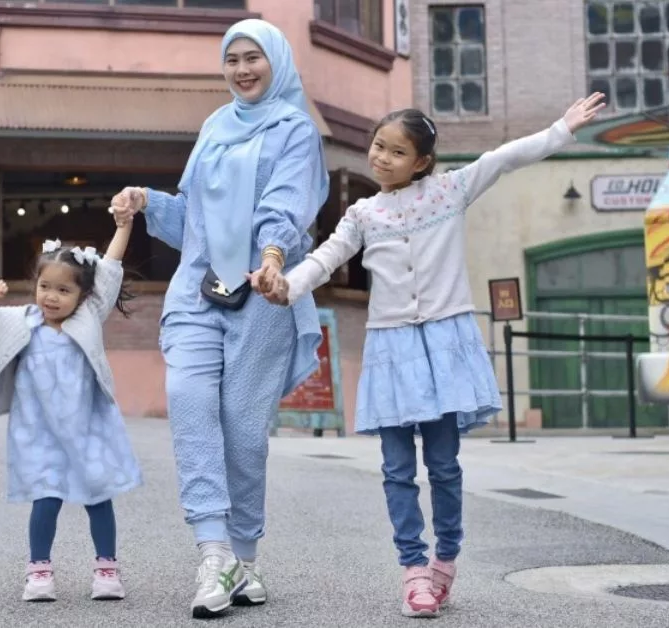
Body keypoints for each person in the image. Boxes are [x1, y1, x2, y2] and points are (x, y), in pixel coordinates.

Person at [263, 94, 608, 618]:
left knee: (444, 466)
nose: (381, 158)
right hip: (392, 346)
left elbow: (504, 157)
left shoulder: (449, 191)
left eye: (396, 152)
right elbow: (327, 256)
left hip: (445, 343)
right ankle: (414, 570)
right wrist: (287, 287)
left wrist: (561, 128)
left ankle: (446, 560)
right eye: (378, 146)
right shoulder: (362, 212)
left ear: (422, 161)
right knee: (397, 469)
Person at [110, 18, 329, 618]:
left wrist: (274, 256)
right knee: (189, 400)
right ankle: (213, 552)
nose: (241, 69)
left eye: (253, 57)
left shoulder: (295, 131)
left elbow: (286, 204)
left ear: (277, 61)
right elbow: (194, 224)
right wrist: (148, 202)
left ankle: (245, 555)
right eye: (231, 59)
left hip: (265, 290)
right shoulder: (213, 127)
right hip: (198, 289)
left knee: (242, 428)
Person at [0, 213, 142, 604]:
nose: (51, 296)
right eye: (45, 286)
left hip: (88, 429)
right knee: (45, 501)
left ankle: (107, 569)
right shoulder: (19, 321)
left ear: (82, 296)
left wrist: (123, 226)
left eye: (63, 290)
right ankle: (39, 572)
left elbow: (110, 270)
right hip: (38, 433)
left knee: (99, 498)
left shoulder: (88, 318)